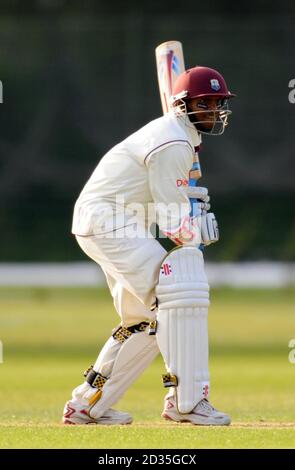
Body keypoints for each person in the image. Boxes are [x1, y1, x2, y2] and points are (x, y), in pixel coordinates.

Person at [62, 66, 235, 425]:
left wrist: (189, 205)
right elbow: (173, 222)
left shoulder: (176, 136)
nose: (214, 110)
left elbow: (161, 203)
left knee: (143, 320)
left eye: (218, 102)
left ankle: (88, 404)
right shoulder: (173, 142)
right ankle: (187, 401)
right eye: (206, 103)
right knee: (177, 295)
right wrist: (195, 227)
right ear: (183, 105)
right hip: (111, 222)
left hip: (110, 221)